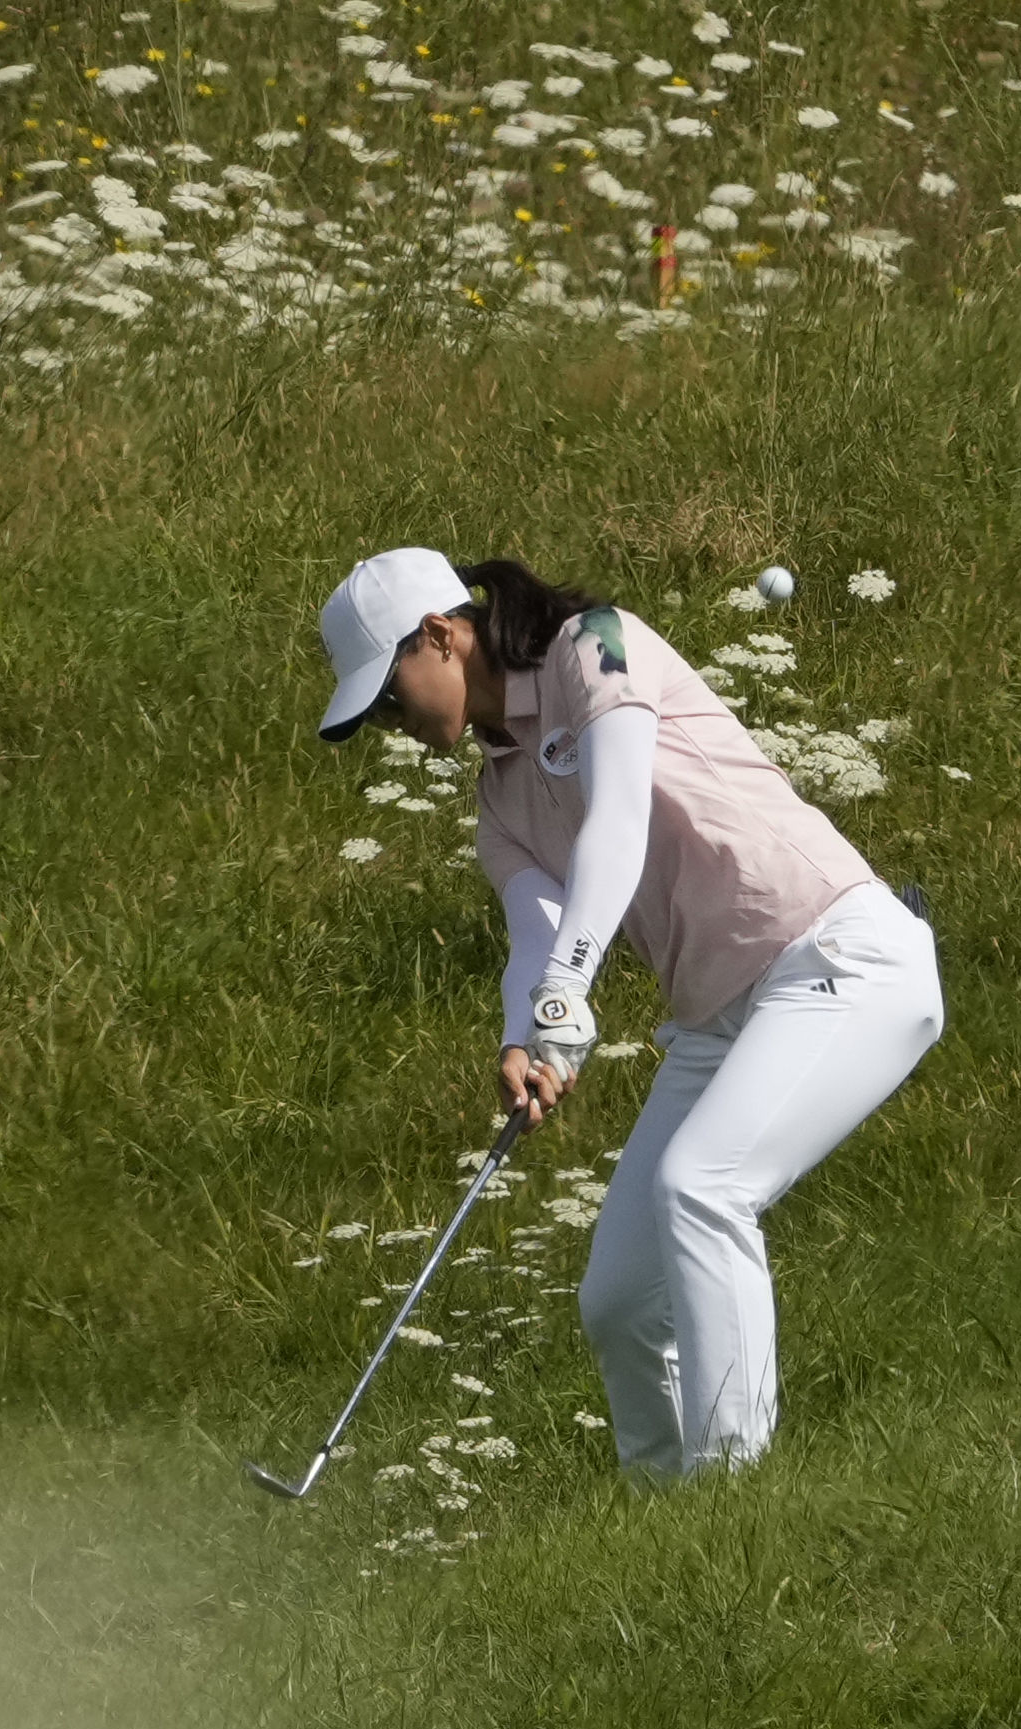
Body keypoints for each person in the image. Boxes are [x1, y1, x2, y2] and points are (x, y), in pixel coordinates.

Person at [312, 545, 945, 1483]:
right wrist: (528, 1034)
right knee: (618, 1299)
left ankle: (733, 1494)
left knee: (703, 1186)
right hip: (721, 1015)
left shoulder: (594, 646)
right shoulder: (499, 798)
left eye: (390, 698)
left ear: (440, 636)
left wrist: (569, 991)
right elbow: (539, 931)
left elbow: (618, 822)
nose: (391, 726)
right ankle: (665, 1503)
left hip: (839, 958)